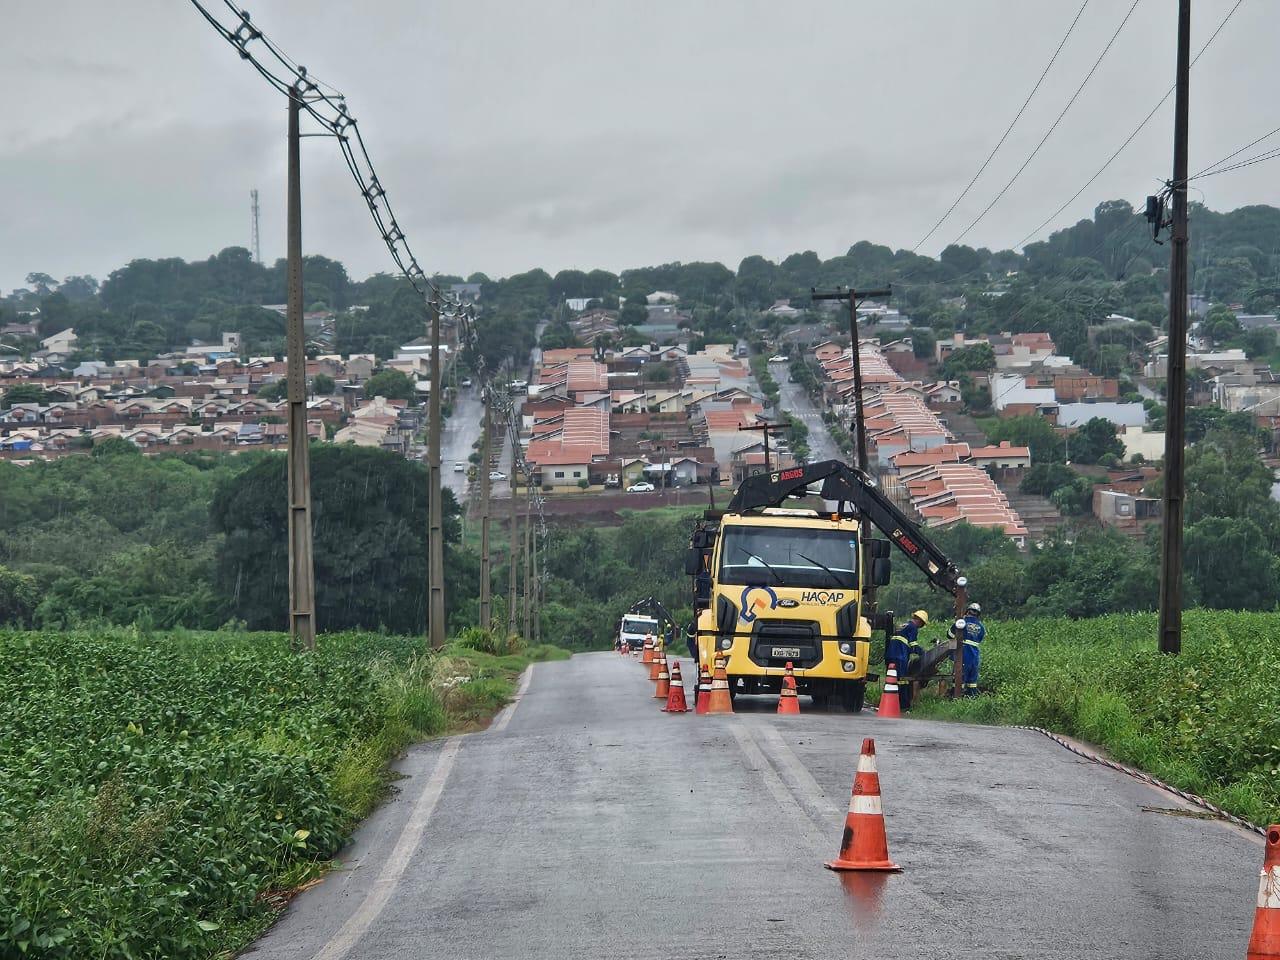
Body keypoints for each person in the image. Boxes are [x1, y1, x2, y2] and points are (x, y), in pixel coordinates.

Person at [884, 610, 928, 710]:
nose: (920, 626)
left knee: (891, 680)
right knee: (903, 680)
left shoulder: (902, 625)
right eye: (922, 624)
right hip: (900, 657)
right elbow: (913, 645)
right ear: (920, 621)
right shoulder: (913, 627)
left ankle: (890, 704)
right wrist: (923, 652)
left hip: (890, 655)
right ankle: (903, 705)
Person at [959, 602, 985, 696]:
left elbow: (950, 634)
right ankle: (972, 699)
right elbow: (980, 638)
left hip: (964, 654)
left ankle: (956, 699)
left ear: (967, 611)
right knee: (972, 681)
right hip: (975, 655)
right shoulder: (981, 627)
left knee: (959, 678)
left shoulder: (962, 622)